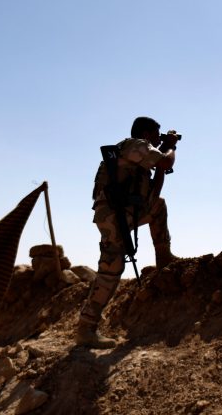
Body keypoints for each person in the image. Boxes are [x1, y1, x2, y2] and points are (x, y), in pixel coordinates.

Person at [76, 116, 180, 348]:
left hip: (126, 212)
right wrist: (171, 145)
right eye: (156, 134)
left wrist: (161, 158)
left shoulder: (141, 154)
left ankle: (164, 257)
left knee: (158, 206)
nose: (158, 139)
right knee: (112, 269)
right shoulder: (136, 145)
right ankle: (86, 328)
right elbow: (166, 162)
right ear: (145, 133)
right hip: (114, 215)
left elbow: (153, 192)